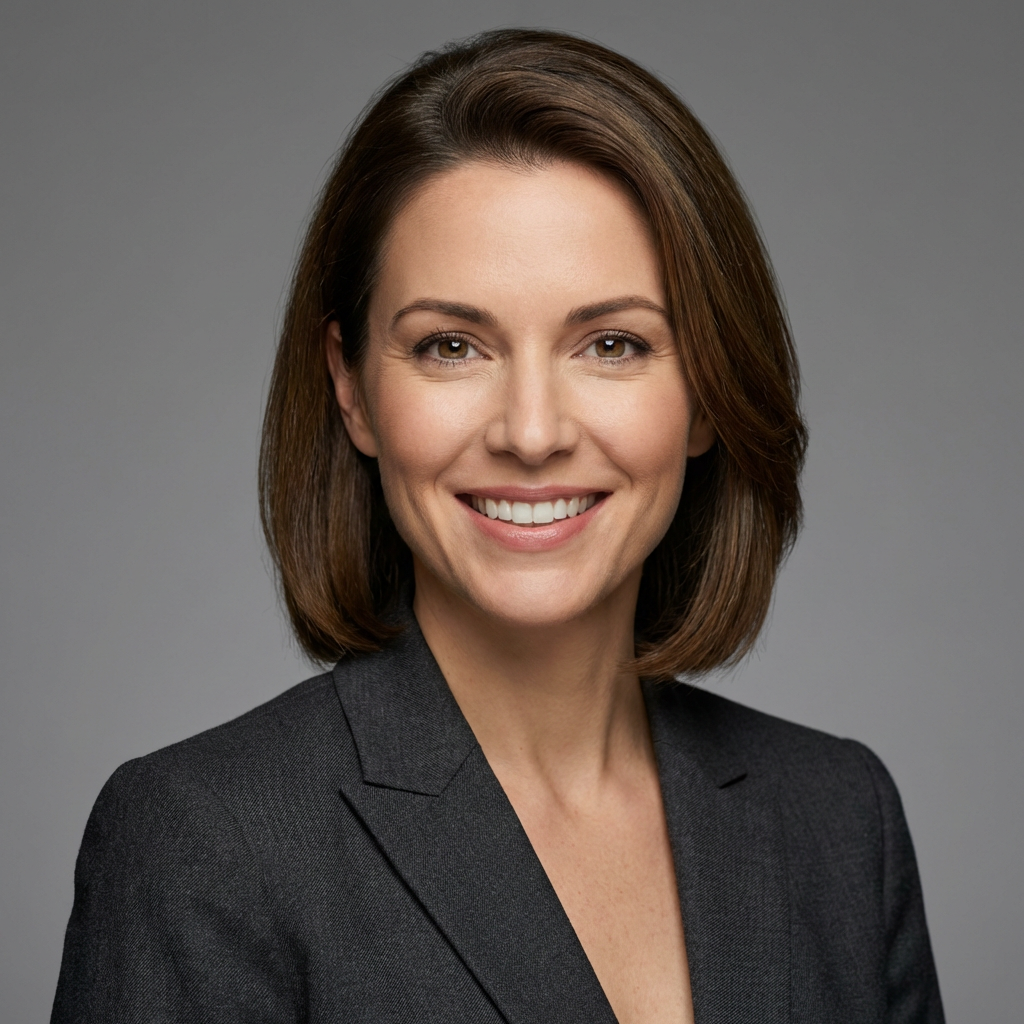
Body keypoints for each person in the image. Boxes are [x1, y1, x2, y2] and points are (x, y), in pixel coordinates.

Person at [51, 28, 943, 1024]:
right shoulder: (202, 840)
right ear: (351, 388)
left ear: (704, 389)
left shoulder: (837, 816)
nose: (530, 432)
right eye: (451, 346)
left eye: (611, 343)